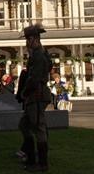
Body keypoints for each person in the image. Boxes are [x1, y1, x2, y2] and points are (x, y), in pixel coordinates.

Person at [18, 24, 52, 172]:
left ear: (34, 39)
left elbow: (34, 78)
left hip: (37, 94)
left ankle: (42, 163)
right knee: (24, 125)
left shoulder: (38, 55)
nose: (26, 42)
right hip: (35, 94)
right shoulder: (39, 54)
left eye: (28, 39)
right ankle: (30, 156)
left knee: (38, 128)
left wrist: (24, 92)